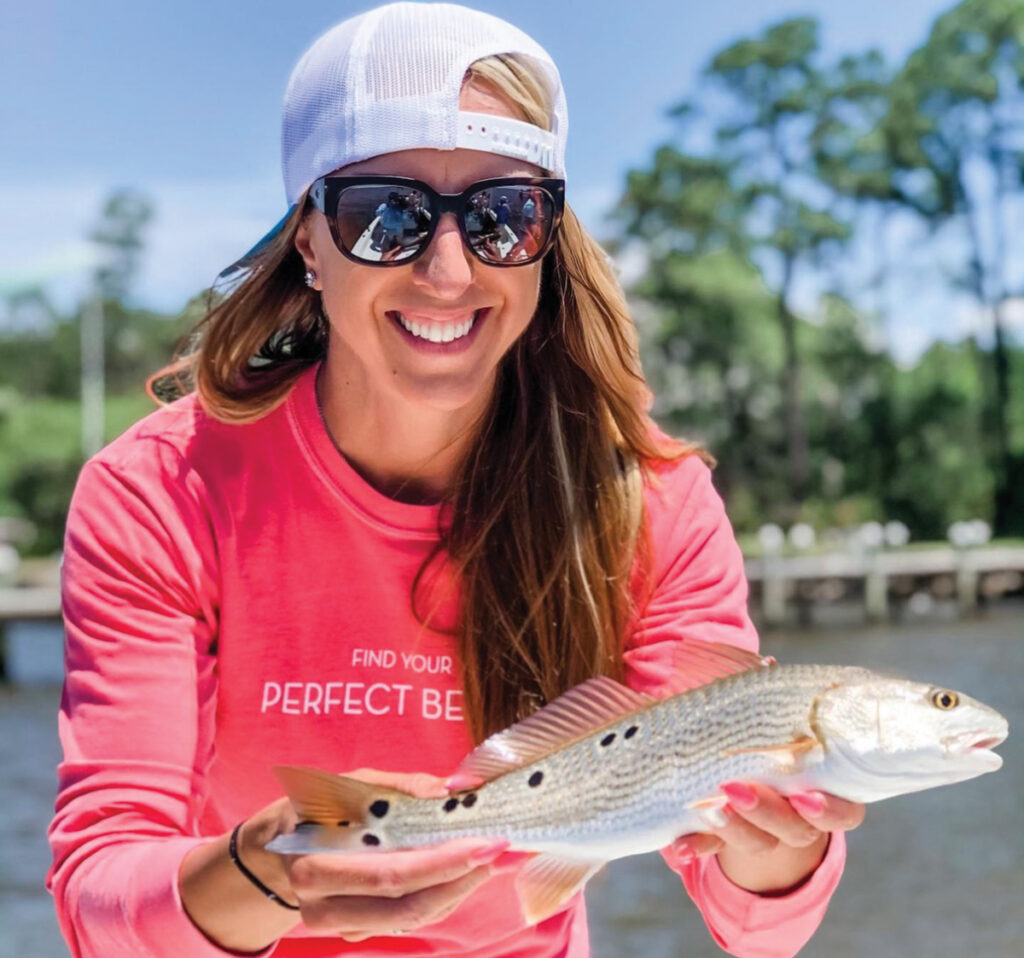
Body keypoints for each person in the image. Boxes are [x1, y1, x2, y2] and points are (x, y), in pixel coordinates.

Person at [47, 4, 863, 958]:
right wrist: (268, 871)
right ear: (308, 240)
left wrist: (779, 853)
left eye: (501, 216)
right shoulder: (160, 490)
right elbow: (102, 894)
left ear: (548, 240)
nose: (446, 269)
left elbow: (759, 931)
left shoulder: (654, 498)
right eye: (383, 217)